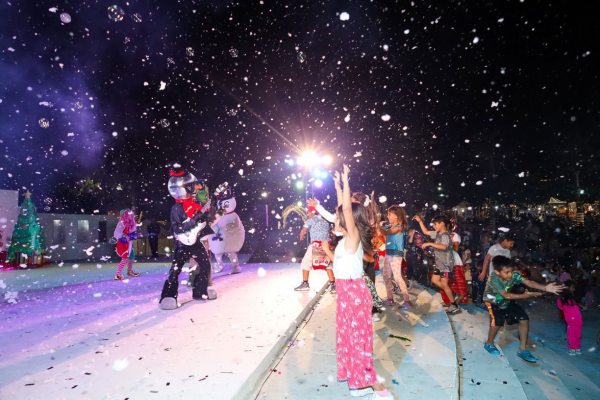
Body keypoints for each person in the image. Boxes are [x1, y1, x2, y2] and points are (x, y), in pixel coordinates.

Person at [332, 164, 393, 400]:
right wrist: (337, 186)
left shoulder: (353, 236)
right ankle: (355, 379)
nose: (336, 219)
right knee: (349, 337)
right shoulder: (345, 239)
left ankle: (364, 383)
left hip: (354, 292)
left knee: (359, 339)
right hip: (346, 293)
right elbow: (343, 208)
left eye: (340, 217)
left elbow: (347, 209)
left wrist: (347, 181)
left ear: (349, 220)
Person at [483, 255, 564, 362]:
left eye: (511, 271)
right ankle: (489, 343)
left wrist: (545, 287)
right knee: (497, 322)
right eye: (506, 272)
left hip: (506, 300)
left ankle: (522, 349)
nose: (510, 274)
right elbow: (506, 295)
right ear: (497, 272)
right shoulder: (494, 279)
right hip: (493, 301)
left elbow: (529, 282)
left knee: (524, 319)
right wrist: (527, 295)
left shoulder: (514, 274)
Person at [159, 165, 215, 310]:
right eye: (190, 187)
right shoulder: (176, 208)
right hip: (182, 243)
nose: (192, 189)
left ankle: (200, 291)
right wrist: (194, 221)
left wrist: (207, 210)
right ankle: (168, 296)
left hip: (195, 242)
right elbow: (178, 228)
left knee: (205, 265)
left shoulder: (195, 202)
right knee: (175, 270)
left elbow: (206, 215)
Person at [413, 214, 461, 314]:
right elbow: (426, 232)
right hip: (440, 263)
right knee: (434, 280)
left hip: (446, 264)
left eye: (435, 224)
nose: (434, 226)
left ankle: (454, 305)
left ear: (442, 223)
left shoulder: (445, 235)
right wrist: (420, 221)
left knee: (444, 284)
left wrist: (430, 243)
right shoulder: (437, 234)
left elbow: (444, 246)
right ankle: (452, 294)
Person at [294, 205, 335, 292]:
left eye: (308, 212)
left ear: (312, 212)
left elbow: (304, 229)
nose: (308, 214)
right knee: (327, 264)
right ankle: (333, 284)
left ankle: (305, 283)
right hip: (326, 244)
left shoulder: (312, 219)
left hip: (316, 244)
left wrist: (302, 234)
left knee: (306, 262)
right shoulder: (325, 220)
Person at [381, 206, 410, 307]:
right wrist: (376, 225)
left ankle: (406, 300)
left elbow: (386, 232)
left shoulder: (399, 226)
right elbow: (382, 231)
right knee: (386, 276)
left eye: (389, 214)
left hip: (396, 254)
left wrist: (378, 226)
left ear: (396, 216)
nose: (387, 216)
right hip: (388, 253)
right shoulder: (389, 225)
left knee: (397, 277)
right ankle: (390, 299)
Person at [556, 280, 583, 355]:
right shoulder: (571, 298)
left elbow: (560, 307)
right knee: (577, 333)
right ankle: (577, 348)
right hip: (578, 318)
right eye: (572, 287)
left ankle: (572, 349)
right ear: (568, 288)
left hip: (571, 319)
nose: (574, 289)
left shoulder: (563, 299)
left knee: (571, 334)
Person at [113, 208, 141, 280]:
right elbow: (116, 233)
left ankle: (129, 271)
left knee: (132, 257)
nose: (131, 216)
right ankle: (117, 274)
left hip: (129, 244)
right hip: (123, 244)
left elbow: (132, 232)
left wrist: (134, 235)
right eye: (129, 214)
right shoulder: (121, 223)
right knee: (125, 259)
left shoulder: (131, 223)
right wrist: (125, 236)